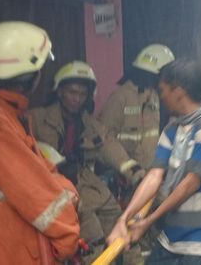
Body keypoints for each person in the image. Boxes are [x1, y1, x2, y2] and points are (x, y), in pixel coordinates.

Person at [107, 59, 201, 264]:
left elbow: (192, 183)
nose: (160, 96)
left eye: (163, 90)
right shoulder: (171, 130)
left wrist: (148, 221)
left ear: (179, 92)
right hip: (172, 235)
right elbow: (155, 175)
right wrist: (124, 218)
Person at [0, 21, 80, 264]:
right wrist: (68, 236)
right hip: (8, 251)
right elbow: (34, 191)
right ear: (30, 77)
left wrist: (63, 187)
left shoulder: (6, 112)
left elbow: (39, 168)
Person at [30, 61, 144, 264]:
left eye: (82, 94)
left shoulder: (89, 123)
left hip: (85, 181)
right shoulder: (36, 118)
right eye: (72, 92)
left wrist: (137, 174)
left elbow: (111, 147)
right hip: (55, 188)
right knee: (93, 237)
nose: (77, 99)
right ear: (60, 91)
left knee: (122, 222)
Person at [99, 44, 175, 170]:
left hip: (151, 172)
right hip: (124, 174)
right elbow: (105, 140)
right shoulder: (120, 97)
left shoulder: (156, 97)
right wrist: (130, 170)